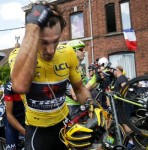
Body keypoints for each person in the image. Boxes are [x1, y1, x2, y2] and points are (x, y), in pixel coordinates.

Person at [9, 3, 94, 150]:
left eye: (56, 41)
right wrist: (32, 27)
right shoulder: (18, 56)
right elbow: (20, 86)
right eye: (44, 42)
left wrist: (93, 107)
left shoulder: (67, 52)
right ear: (33, 36)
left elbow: (79, 89)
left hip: (65, 123)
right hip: (37, 131)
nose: (50, 50)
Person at [65, 40, 89, 118]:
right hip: (73, 107)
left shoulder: (81, 69)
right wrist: (94, 80)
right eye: (81, 49)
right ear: (73, 52)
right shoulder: (69, 70)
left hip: (82, 104)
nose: (84, 52)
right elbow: (75, 96)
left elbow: (85, 87)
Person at [3, 81, 25, 150]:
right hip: (10, 119)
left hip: (24, 116)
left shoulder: (30, 83)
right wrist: (25, 133)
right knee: (12, 148)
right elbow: (9, 115)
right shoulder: (9, 88)